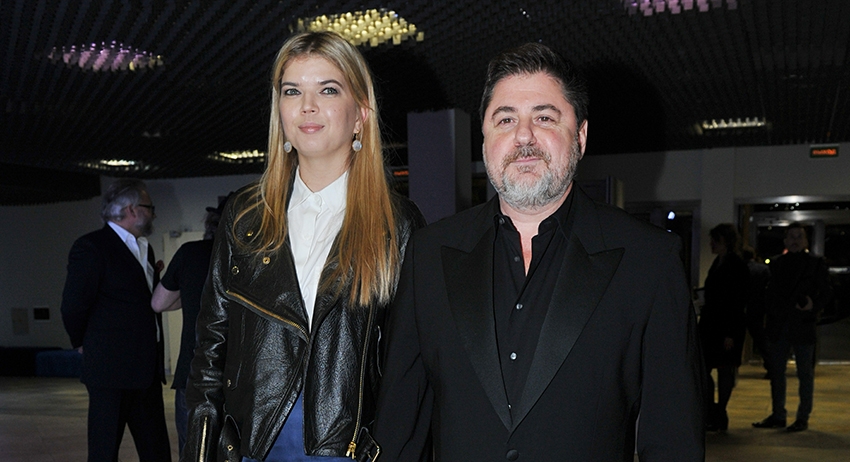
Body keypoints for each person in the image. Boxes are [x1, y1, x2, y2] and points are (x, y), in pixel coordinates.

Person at [373, 42, 704, 461]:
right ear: (485, 139)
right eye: (505, 119)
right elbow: (400, 427)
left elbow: (674, 440)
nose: (523, 136)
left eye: (544, 117)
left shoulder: (649, 260)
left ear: (580, 136)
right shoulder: (427, 255)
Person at [181, 31, 424, 462]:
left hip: (348, 450)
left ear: (360, 115)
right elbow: (210, 349)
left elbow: (411, 369)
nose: (307, 105)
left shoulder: (397, 224)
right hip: (252, 447)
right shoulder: (244, 215)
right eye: (292, 91)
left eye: (327, 90)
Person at [60, 178, 171, 462]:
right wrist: (81, 342)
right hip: (110, 371)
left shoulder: (144, 248)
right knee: (104, 452)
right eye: (150, 207)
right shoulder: (91, 247)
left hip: (146, 369)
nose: (154, 213)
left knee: (157, 452)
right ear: (132, 210)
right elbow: (73, 305)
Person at [151, 199, 225, 454]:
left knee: (193, 450)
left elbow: (158, 303)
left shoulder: (190, 253)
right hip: (241, 375)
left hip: (194, 370)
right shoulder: (254, 257)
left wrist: (192, 294)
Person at [753, 223, 832, 432]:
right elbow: (769, 293)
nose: (795, 240)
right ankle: (779, 414)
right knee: (777, 372)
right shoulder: (776, 263)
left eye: (799, 236)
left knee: (804, 373)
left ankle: (802, 416)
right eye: (792, 236)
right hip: (779, 324)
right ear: (785, 240)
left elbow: (826, 292)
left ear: (805, 241)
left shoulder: (815, 263)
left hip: (802, 324)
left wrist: (813, 305)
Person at [699, 224, 749, 432]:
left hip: (725, 325)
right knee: (706, 368)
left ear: (725, 242)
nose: (711, 244)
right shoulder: (719, 262)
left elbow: (737, 301)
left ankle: (718, 412)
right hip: (712, 324)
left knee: (723, 369)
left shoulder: (735, 265)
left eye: (715, 240)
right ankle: (715, 411)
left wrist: (730, 333)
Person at [741, 245, 770, 372]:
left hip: (741, 307)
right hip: (758, 307)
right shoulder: (763, 269)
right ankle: (771, 366)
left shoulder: (738, 269)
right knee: (761, 339)